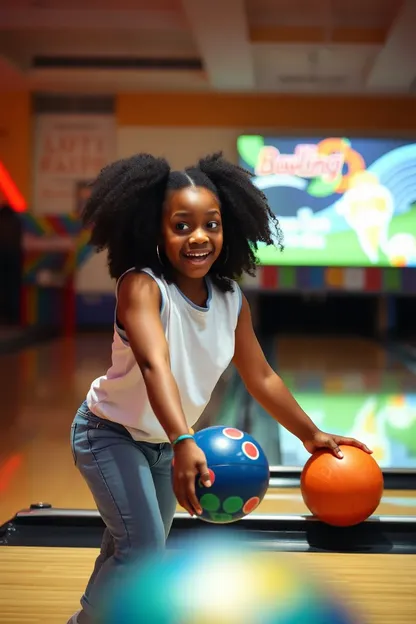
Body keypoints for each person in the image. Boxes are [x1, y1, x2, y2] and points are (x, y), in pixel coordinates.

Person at [68, 152, 371, 624]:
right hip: (108, 434)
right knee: (143, 549)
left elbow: (261, 376)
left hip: (164, 443)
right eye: (182, 225)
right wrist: (184, 438)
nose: (199, 237)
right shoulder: (142, 287)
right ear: (155, 231)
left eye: (212, 224)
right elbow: (154, 365)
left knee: (129, 543)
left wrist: (309, 434)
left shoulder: (231, 299)